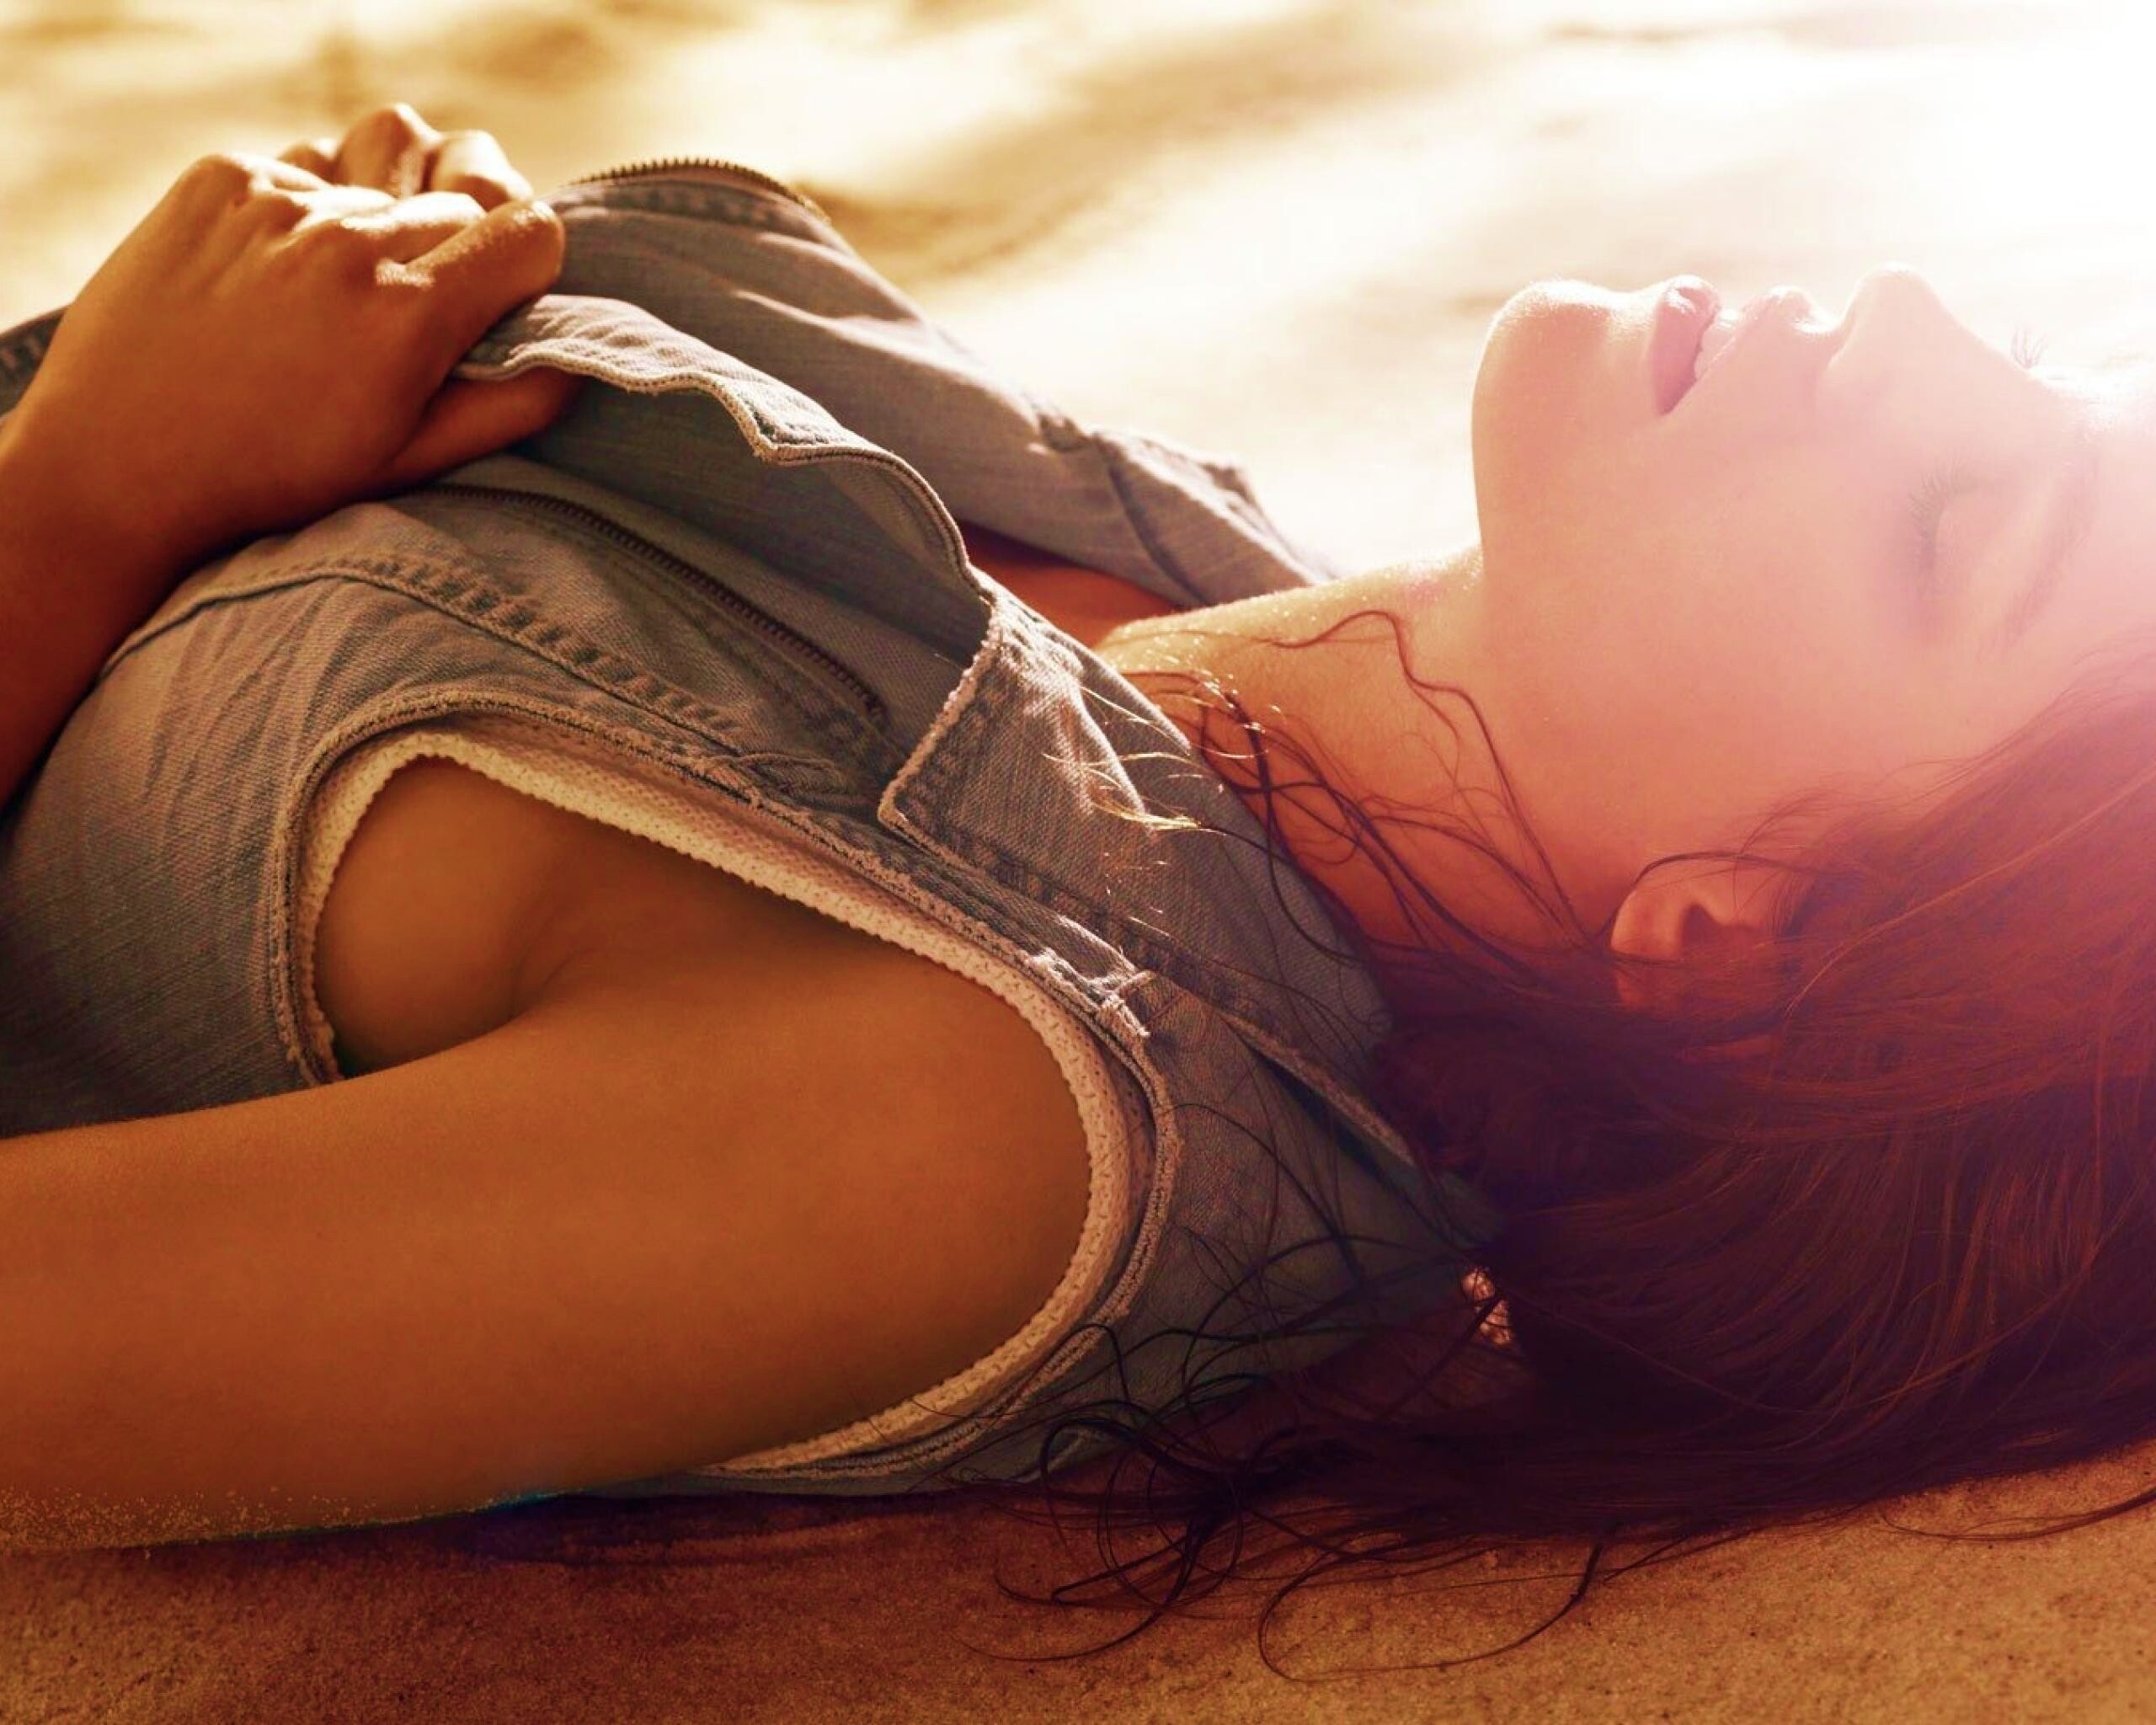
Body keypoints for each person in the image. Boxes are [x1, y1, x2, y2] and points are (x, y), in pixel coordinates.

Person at [6, 101, 2156, 1650]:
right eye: (2066, 376)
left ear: (1727, 948)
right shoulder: (1246, 614)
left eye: (1962, 522)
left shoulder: (990, 1117)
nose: (1912, 310)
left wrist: (93, 492)